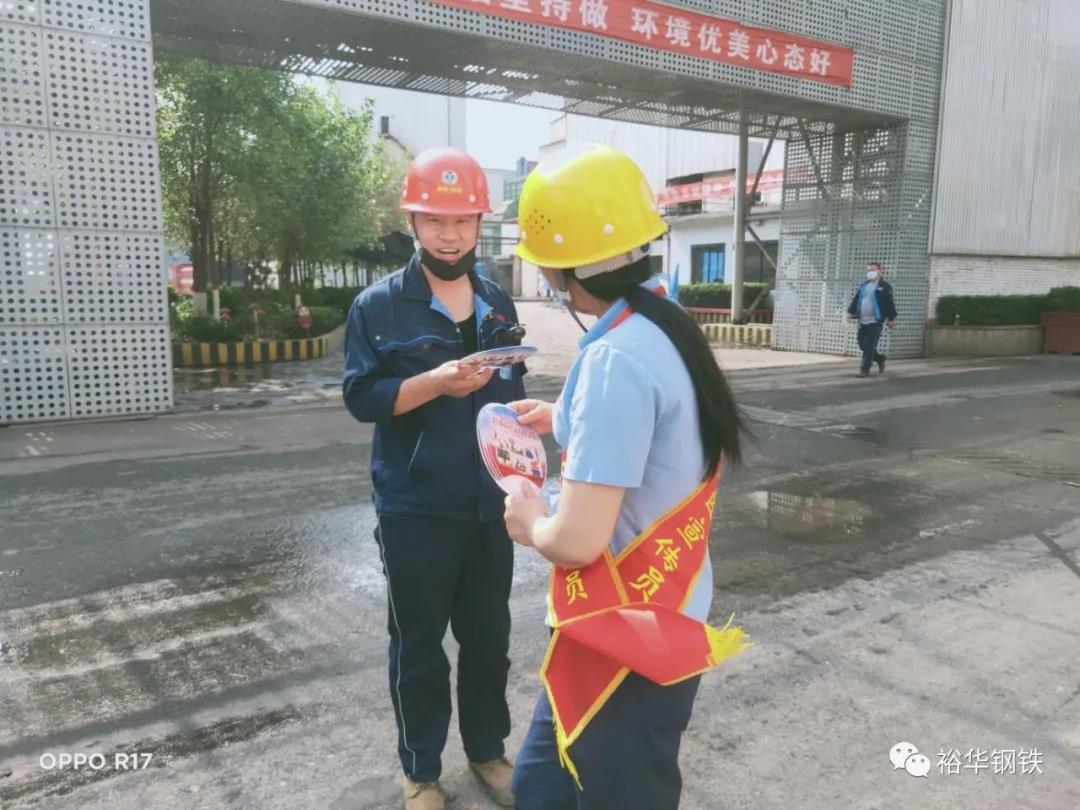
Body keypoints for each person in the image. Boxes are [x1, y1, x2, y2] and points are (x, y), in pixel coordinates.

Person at [501, 146, 750, 810]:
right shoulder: (665, 323)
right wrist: (565, 416)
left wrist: (530, 523)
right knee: (542, 788)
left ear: (559, 272)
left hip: (624, 634)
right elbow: (656, 430)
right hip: (660, 614)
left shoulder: (615, 359)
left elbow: (577, 541)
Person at [343, 147, 526, 810]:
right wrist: (434, 383)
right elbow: (361, 397)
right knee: (419, 646)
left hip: (490, 505)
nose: (450, 235)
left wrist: (523, 469)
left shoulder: (496, 299)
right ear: (413, 222)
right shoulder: (378, 306)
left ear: (480, 222)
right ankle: (420, 771)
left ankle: (487, 752)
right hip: (415, 508)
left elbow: (509, 393)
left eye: (462, 220)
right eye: (435, 220)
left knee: (489, 640)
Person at [847, 261, 898, 377]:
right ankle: (880, 358)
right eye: (869, 270)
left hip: (876, 322)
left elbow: (889, 303)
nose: (870, 272)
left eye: (873, 270)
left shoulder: (884, 287)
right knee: (862, 345)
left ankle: (864, 370)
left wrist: (891, 318)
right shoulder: (864, 286)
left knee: (869, 346)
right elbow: (856, 299)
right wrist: (851, 312)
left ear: (879, 271)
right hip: (863, 321)